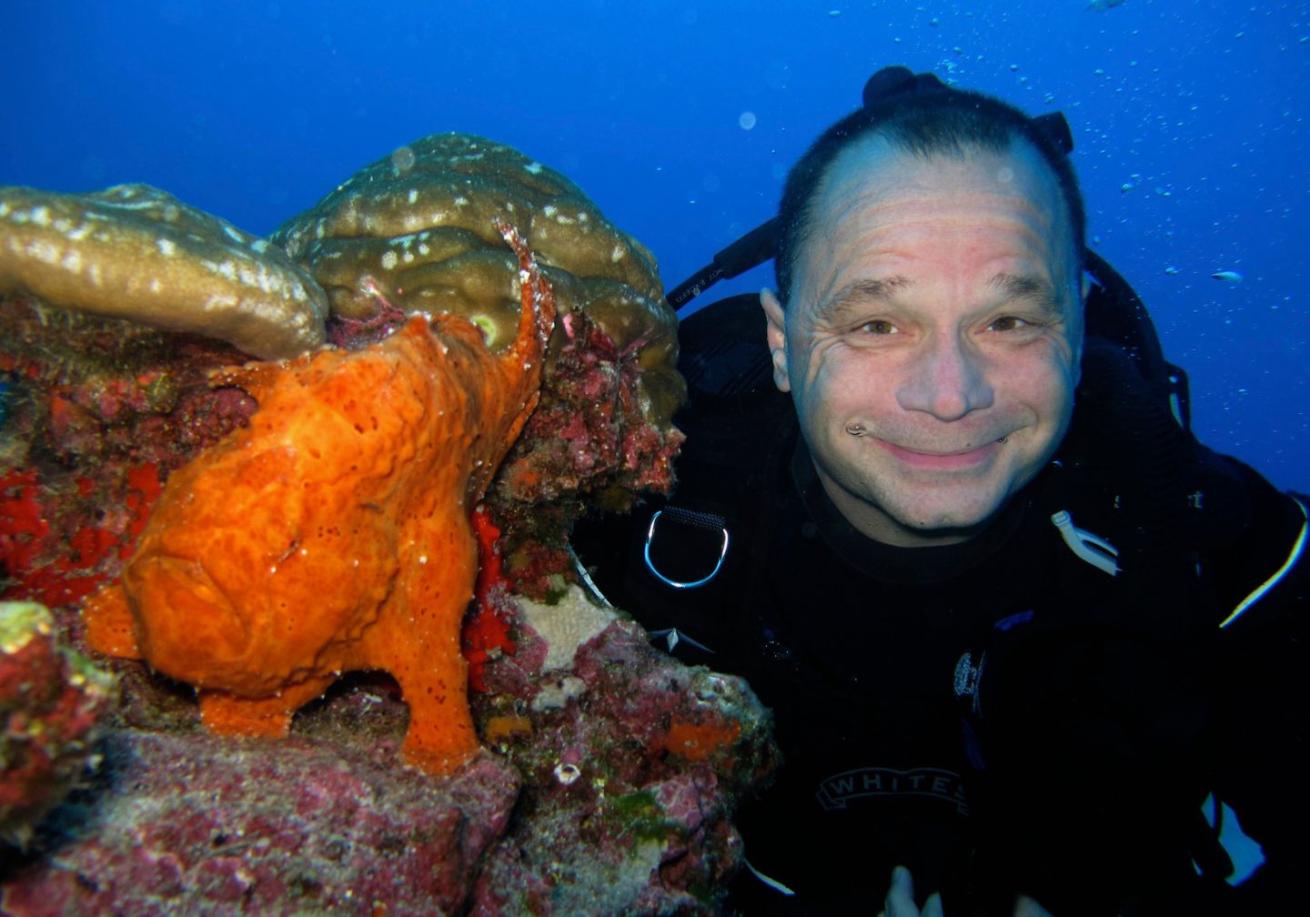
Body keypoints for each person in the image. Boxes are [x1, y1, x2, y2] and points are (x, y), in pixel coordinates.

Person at [572, 67, 1309, 915]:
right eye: (877, 324)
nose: (951, 393)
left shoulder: (1206, 540)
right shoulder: (635, 522)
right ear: (780, 343)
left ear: (1075, 327)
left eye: (1009, 320)